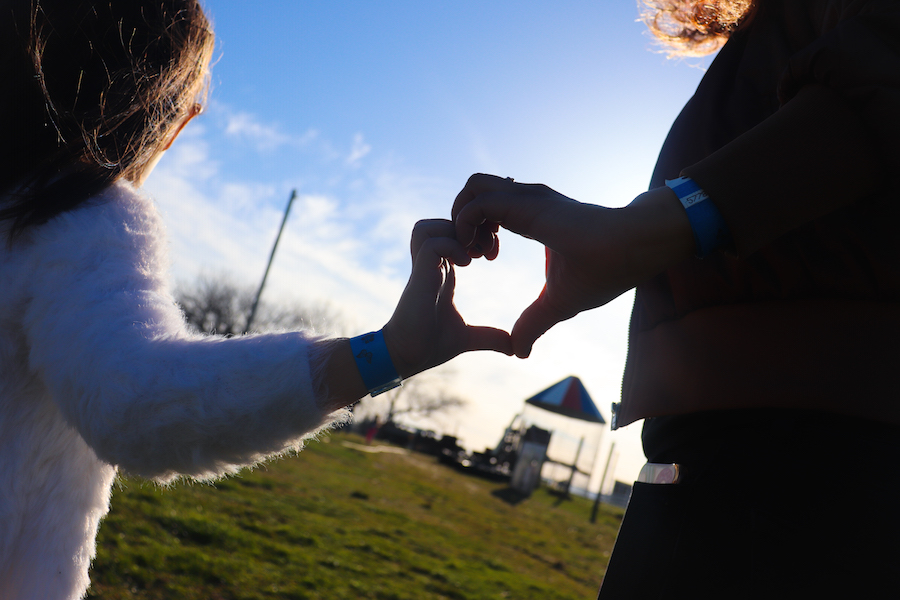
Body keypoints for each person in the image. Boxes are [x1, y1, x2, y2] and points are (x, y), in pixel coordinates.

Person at [0, 2, 512, 598]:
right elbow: (135, 402)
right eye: (191, 107)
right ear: (168, 117)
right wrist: (386, 352)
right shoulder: (79, 221)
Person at [452, 0, 900, 597]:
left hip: (817, 476)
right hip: (714, 473)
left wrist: (645, 229)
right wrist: (632, 250)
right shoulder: (765, 30)